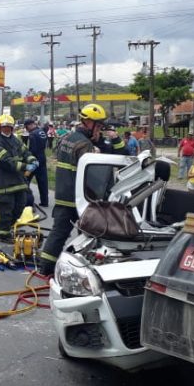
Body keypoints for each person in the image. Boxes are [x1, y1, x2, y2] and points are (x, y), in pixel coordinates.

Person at [38, 104, 128, 275]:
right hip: (82, 198)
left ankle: (45, 268)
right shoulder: (85, 145)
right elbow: (96, 173)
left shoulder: (68, 138)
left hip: (64, 194)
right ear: (87, 122)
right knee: (90, 235)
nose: (100, 130)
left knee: (58, 233)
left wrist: (111, 140)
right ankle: (85, 271)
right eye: (99, 126)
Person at [0, 114, 37, 244]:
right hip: (3, 183)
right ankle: (3, 234)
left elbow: (25, 152)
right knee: (6, 209)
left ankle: (8, 228)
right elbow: (6, 162)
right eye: (4, 127)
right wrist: (26, 166)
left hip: (18, 182)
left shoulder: (15, 140)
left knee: (20, 205)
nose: (6, 130)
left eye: (9, 127)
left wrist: (32, 160)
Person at [23, 119, 49, 207]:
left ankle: (25, 199)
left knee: (25, 179)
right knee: (43, 182)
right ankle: (45, 202)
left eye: (26, 127)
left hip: (34, 161)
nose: (26, 129)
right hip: (42, 159)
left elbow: (32, 149)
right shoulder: (42, 132)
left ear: (30, 125)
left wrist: (28, 159)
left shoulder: (32, 135)